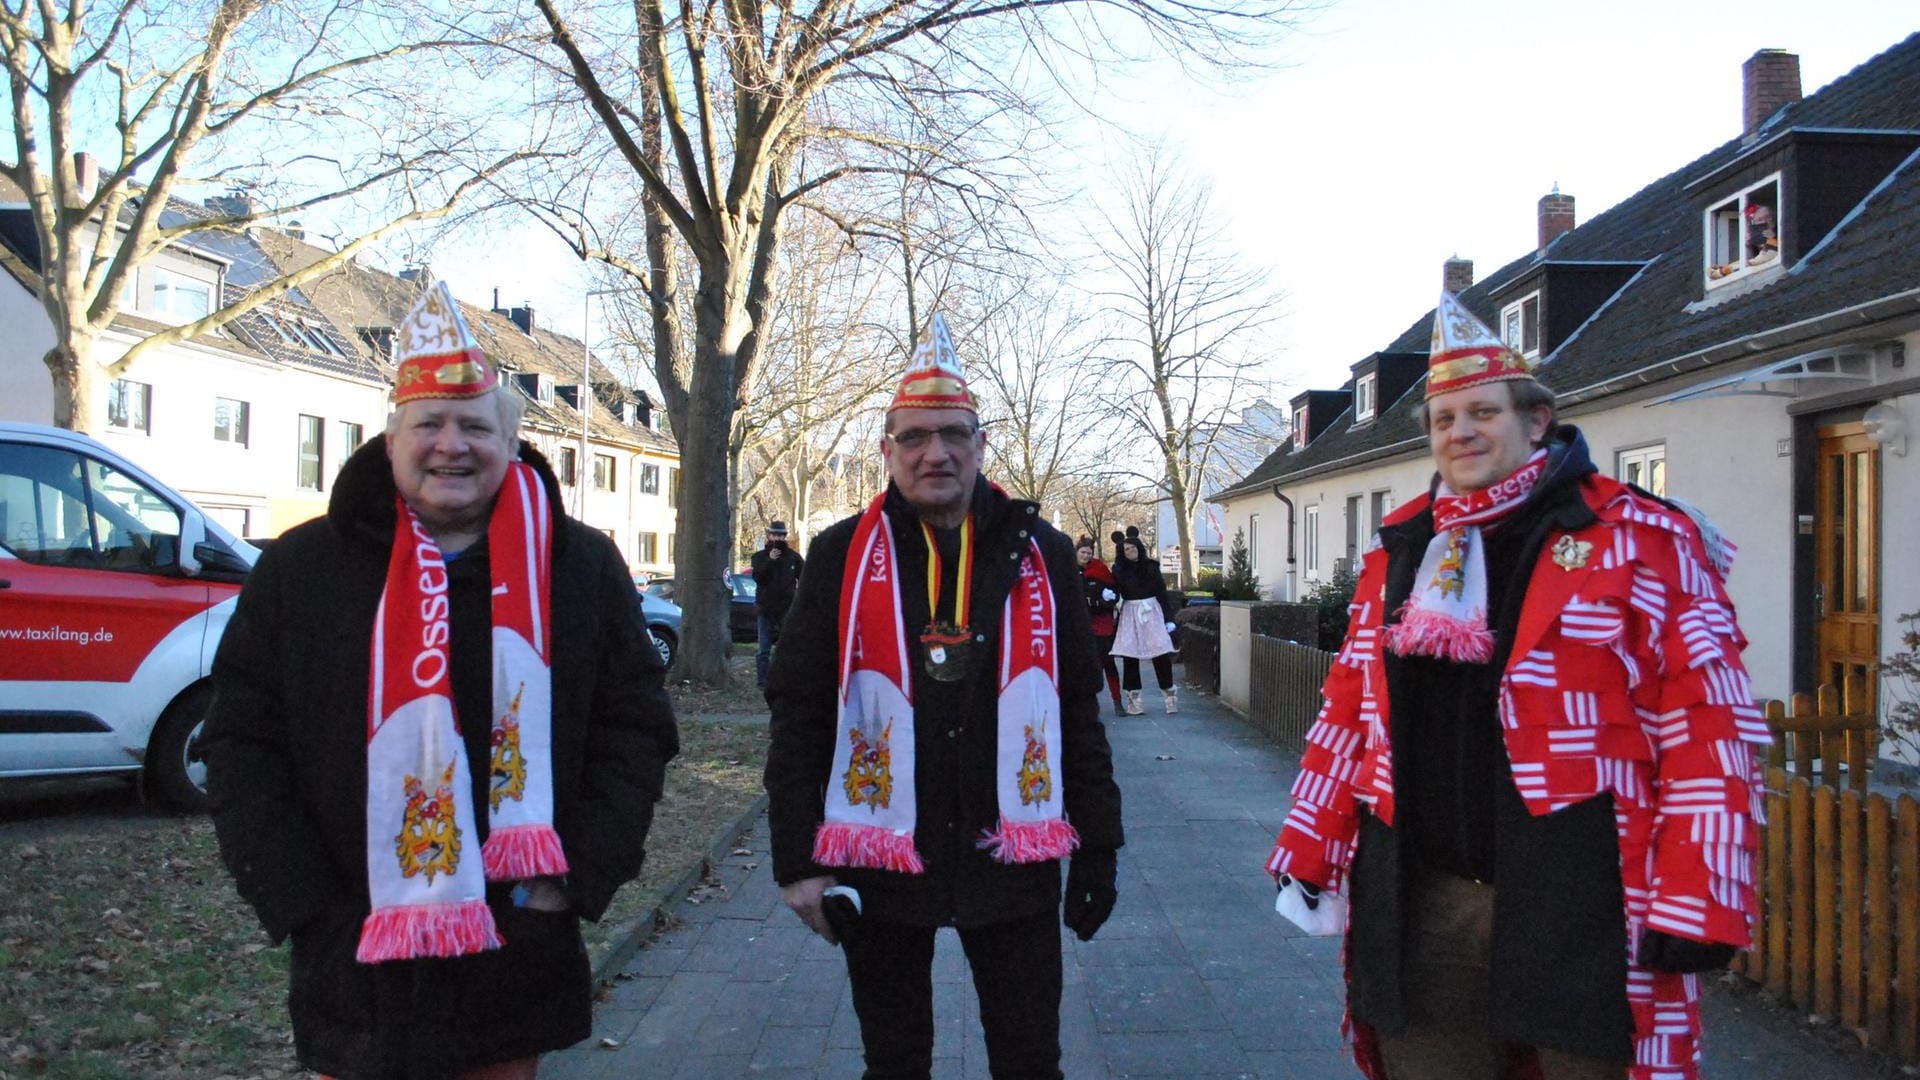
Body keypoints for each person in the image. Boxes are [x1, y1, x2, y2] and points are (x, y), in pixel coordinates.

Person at [1264, 288, 1768, 1080]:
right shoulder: (1403, 552)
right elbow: (1354, 712)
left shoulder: (1641, 538)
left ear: (1535, 420)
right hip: (1425, 897)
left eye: (1483, 412)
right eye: (1443, 418)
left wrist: (1699, 895)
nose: (1461, 431)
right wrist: (1311, 843)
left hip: (1587, 898)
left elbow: (1709, 724)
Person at [202, 283, 681, 1080]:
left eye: (474, 426)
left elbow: (634, 729)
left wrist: (577, 873)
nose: (451, 445)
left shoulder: (580, 566)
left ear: (511, 440)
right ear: (391, 440)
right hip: (355, 956)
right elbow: (242, 741)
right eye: (429, 423)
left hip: (514, 947)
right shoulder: (303, 568)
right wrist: (304, 903)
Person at [764, 313, 1124, 1080]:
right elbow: (797, 713)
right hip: (884, 863)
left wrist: (1099, 846)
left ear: (981, 444)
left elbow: (1075, 712)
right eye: (916, 436)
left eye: (955, 433)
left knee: (1030, 1063)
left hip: (1011, 861)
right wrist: (797, 860)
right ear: (888, 450)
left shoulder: (1043, 553)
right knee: (894, 1065)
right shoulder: (837, 556)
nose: (937, 452)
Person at [1107, 526, 1177, 715]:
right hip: (1130, 612)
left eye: (1132, 548)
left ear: (1139, 547)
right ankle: (1134, 700)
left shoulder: (1151, 567)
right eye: (1126, 549)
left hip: (1151, 611)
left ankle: (1169, 695)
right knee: (1130, 655)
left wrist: (1168, 618)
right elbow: (1114, 590)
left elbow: (1162, 593)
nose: (1130, 551)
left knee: (1160, 652)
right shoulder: (1119, 570)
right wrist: (1106, 595)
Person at [751, 519, 805, 688]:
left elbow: (804, 578)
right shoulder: (759, 557)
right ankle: (763, 682)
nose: (778, 538)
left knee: (786, 646)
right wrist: (770, 560)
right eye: (775, 535)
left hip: (787, 610)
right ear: (769, 536)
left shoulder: (793, 558)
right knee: (764, 649)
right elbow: (758, 577)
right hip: (765, 609)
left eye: (781, 535)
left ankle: (785, 679)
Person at [1076, 535, 1125, 716]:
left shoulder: (1100, 570)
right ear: (1077, 552)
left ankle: (1117, 700)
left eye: (1089, 553)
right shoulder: (1068, 570)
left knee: (1107, 662)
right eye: (1083, 552)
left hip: (1101, 624)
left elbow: (1113, 593)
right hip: (1079, 625)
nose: (1086, 556)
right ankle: (1087, 703)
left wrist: (1102, 602)